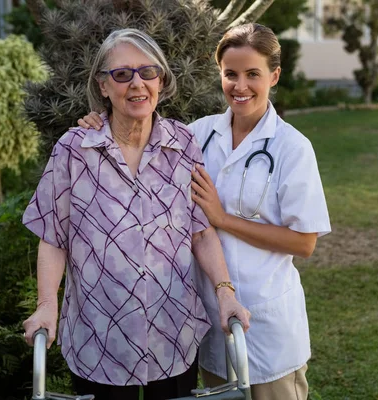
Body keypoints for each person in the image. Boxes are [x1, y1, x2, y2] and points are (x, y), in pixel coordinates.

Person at [79, 23, 331, 400]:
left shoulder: (293, 148)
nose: (240, 86)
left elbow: (305, 242)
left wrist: (224, 219)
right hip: (210, 323)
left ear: (274, 76)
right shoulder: (198, 134)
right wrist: (98, 122)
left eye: (253, 75)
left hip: (267, 326)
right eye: (231, 74)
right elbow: (138, 135)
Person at [22, 28, 250, 400]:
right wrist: (47, 305)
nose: (137, 84)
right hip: (100, 339)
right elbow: (52, 237)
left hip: (173, 333)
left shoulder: (183, 144)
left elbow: (201, 232)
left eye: (148, 72)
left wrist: (225, 293)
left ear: (161, 80)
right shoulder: (74, 150)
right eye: (122, 74)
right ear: (103, 86)